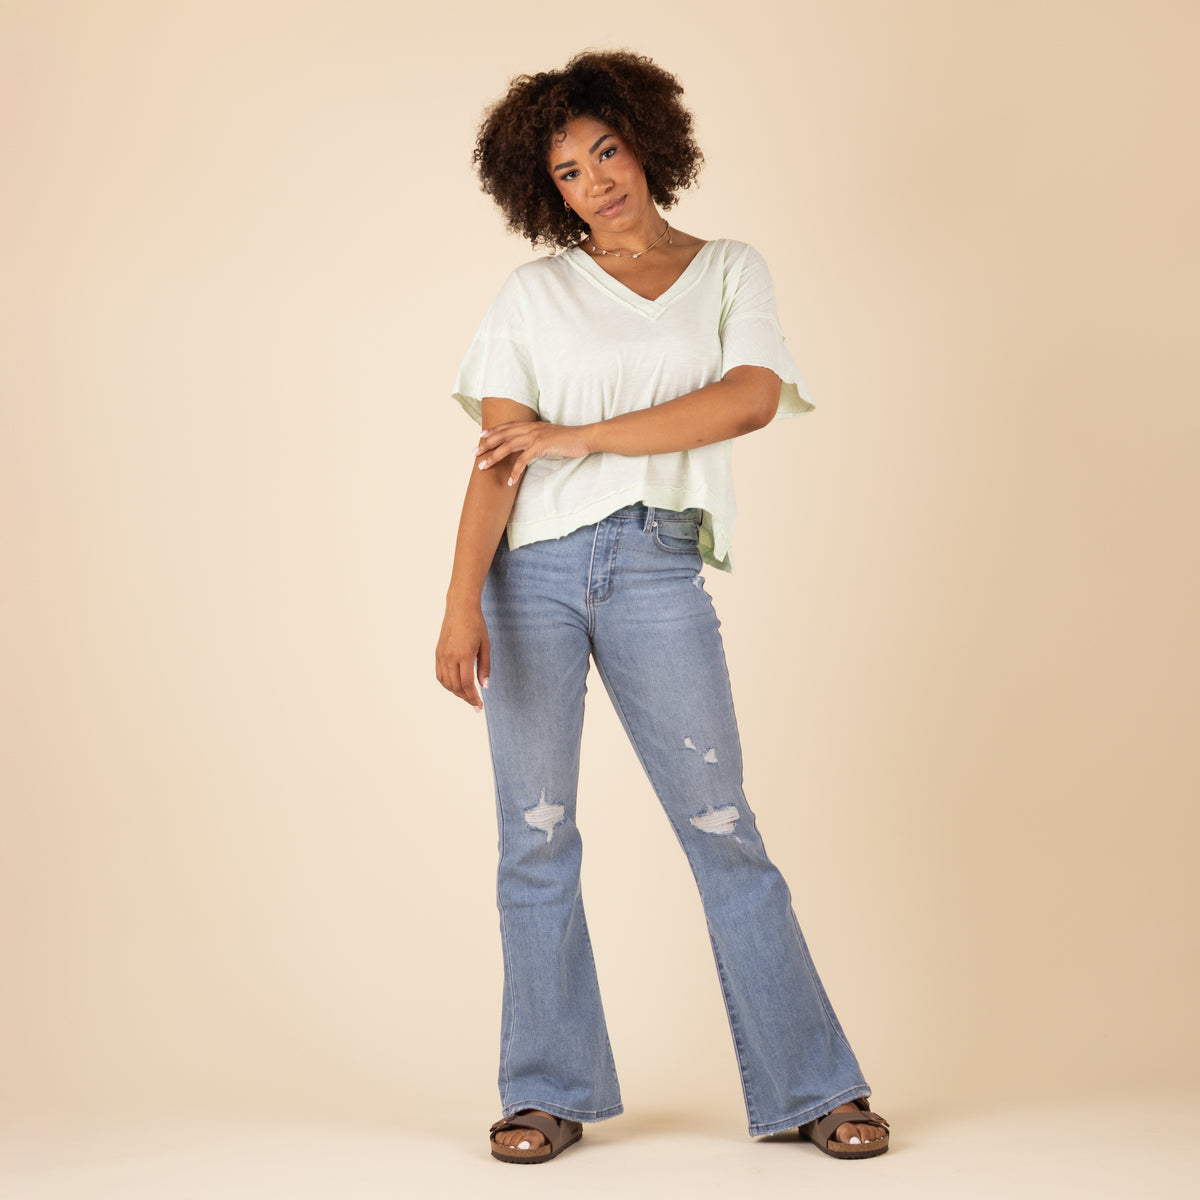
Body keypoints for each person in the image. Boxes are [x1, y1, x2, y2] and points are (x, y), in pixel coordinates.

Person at [435, 50, 890, 1164]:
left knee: (722, 827)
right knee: (534, 840)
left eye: (607, 151)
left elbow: (747, 402)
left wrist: (580, 437)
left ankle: (815, 1087)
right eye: (570, 171)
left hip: (655, 562)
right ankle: (545, 1088)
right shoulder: (534, 294)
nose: (598, 180)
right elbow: (500, 460)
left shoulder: (729, 269)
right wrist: (457, 606)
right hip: (529, 574)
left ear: (645, 142)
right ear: (546, 192)